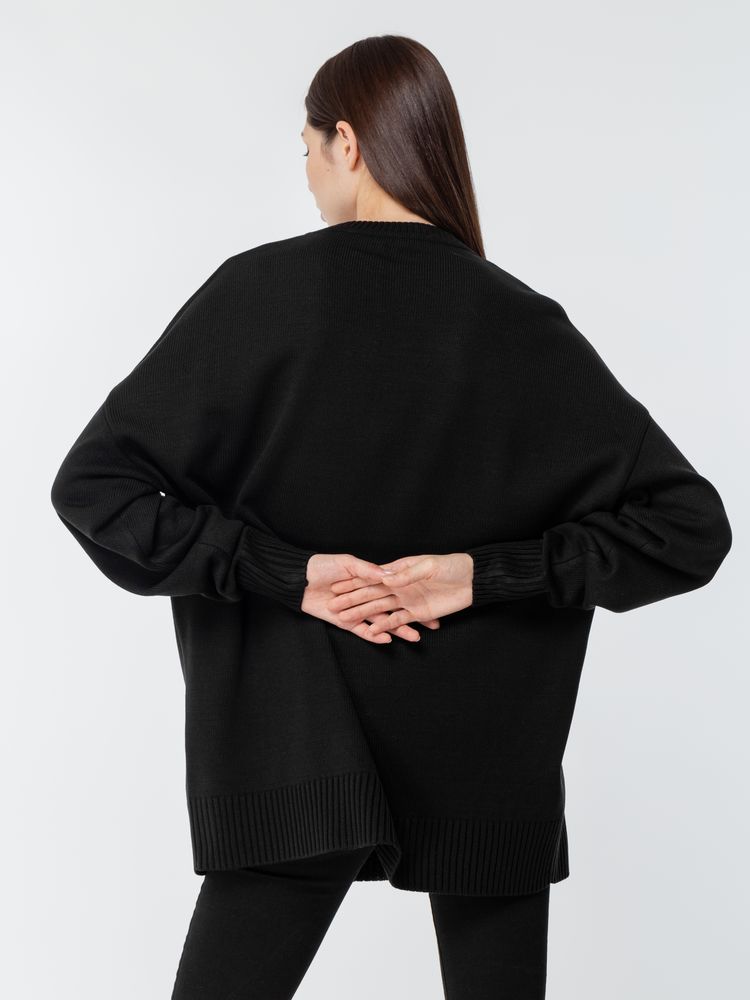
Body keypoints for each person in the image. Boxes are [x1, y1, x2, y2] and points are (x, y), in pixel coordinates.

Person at [49, 34, 732, 1000]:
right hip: (487, 761)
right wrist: (484, 575)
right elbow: (687, 524)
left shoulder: (258, 296)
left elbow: (94, 488)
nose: (308, 175)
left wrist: (286, 574)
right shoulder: (521, 324)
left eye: (307, 150)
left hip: (294, 748)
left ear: (349, 141)